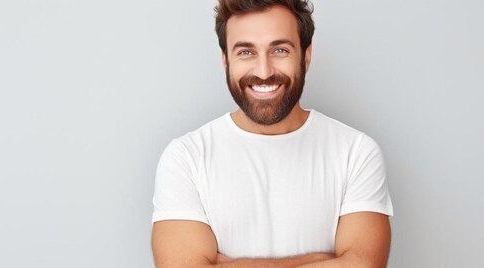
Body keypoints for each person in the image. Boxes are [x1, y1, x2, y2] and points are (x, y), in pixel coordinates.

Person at [151, 0, 393, 267]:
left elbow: (364, 264)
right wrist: (328, 260)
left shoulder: (355, 152)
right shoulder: (186, 157)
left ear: (306, 56)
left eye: (279, 50)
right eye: (246, 52)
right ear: (225, 61)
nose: (263, 72)